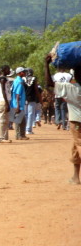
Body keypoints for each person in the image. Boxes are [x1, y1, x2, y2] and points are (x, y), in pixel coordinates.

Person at [45, 55, 81, 184]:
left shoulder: (71, 88)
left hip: (77, 122)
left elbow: (49, 83)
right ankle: (76, 177)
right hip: (76, 121)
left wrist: (46, 64)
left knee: (79, 146)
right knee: (75, 149)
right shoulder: (72, 87)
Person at [10, 67, 29, 140]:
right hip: (18, 104)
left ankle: (22, 135)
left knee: (22, 121)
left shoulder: (18, 80)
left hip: (18, 103)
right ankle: (18, 135)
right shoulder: (19, 82)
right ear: (20, 73)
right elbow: (17, 94)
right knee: (19, 120)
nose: (24, 73)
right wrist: (17, 106)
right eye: (23, 72)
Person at [0, 65, 12, 143]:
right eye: (8, 69)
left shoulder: (5, 78)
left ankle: (5, 137)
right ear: (4, 70)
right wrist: (6, 103)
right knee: (3, 120)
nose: (9, 70)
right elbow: (3, 91)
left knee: (6, 120)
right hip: (3, 101)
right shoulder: (2, 79)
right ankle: (1, 137)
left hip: (6, 101)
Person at [24, 68, 41, 135]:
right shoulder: (34, 79)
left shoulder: (23, 79)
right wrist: (39, 98)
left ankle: (25, 129)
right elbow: (36, 90)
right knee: (30, 114)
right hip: (32, 99)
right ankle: (28, 130)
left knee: (26, 114)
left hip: (25, 98)